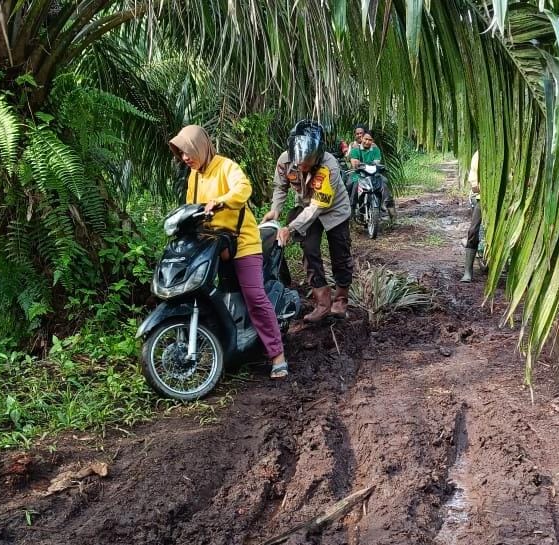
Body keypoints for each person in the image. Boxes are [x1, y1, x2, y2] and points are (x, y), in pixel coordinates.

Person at [169, 125, 290, 379]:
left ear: (200, 146)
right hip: (214, 245)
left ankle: (277, 355)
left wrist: (222, 200)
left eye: (188, 151)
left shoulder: (226, 167)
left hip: (243, 243)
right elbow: (192, 207)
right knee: (212, 296)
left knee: (254, 297)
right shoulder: (195, 176)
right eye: (181, 154)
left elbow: (243, 188)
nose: (185, 158)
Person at [262, 120, 353, 322]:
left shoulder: (329, 166)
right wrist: (275, 210)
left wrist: (290, 228)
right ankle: (322, 303)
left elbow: (317, 206)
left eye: (308, 163)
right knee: (309, 251)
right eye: (299, 163)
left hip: (333, 210)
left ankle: (340, 301)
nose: (303, 166)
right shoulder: (285, 161)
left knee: (340, 253)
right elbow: (280, 187)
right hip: (305, 208)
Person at [348, 130, 395, 217]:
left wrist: (364, 164)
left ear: (372, 141)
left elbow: (377, 162)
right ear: (362, 138)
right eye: (366, 139)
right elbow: (354, 163)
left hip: (373, 174)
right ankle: (352, 209)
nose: (367, 141)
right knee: (353, 184)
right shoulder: (355, 150)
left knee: (384, 182)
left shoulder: (376, 150)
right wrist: (358, 164)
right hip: (358, 174)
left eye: (370, 140)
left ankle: (389, 208)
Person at [461, 150, 481, 283]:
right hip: (484, 198)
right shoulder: (480, 154)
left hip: (509, 198)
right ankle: (468, 271)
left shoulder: (514, 149)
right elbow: (474, 186)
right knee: (473, 231)